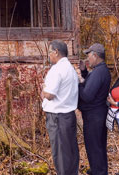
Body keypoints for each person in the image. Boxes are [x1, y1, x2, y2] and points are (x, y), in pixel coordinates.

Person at [42, 39, 80, 175]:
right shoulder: (70, 68)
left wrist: (43, 90)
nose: (49, 55)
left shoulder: (57, 69)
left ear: (56, 52)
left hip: (57, 117)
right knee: (70, 151)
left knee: (60, 153)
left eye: (50, 52)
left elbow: (50, 94)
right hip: (68, 115)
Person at [78, 43, 111, 175]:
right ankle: (98, 170)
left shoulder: (99, 72)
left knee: (95, 147)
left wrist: (79, 83)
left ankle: (99, 172)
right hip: (97, 113)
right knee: (98, 146)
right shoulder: (100, 70)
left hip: (94, 116)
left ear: (95, 55)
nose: (88, 59)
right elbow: (93, 86)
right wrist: (84, 72)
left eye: (89, 56)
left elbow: (87, 95)